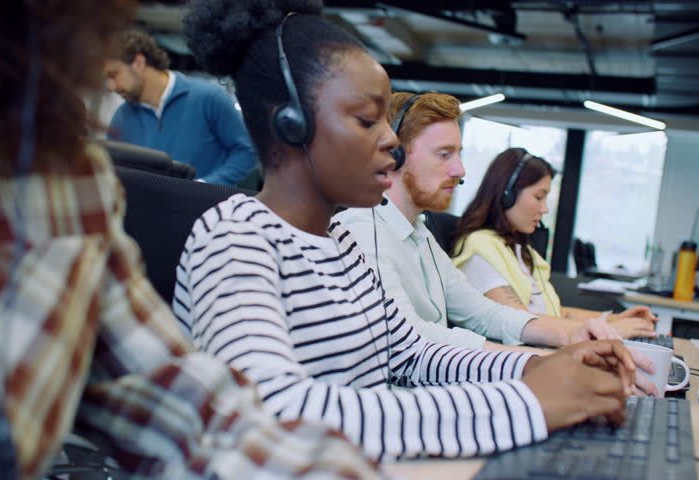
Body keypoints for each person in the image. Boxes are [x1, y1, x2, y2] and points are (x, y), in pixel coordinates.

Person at [0, 1, 385, 478]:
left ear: (139, 61)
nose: (107, 87)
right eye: (367, 120)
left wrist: (197, 190)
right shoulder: (224, 231)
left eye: (114, 76)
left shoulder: (58, 176)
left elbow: (192, 418)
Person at [174, 0, 647, 462]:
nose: (391, 142)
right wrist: (525, 401)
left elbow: (414, 351)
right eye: (366, 120)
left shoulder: (339, 246)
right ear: (291, 124)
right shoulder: (234, 239)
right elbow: (270, 416)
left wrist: (537, 366)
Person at [335, 92, 655, 354]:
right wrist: (537, 360)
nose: (460, 170)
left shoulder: (421, 236)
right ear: (395, 155)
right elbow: (410, 337)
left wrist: (572, 337)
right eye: (444, 154)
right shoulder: (363, 230)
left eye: (458, 154)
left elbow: (483, 312)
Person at [451, 148, 658, 336]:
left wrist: (614, 319)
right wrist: (610, 330)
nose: (545, 209)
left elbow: (556, 313)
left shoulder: (520, 250)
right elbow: (520, 321)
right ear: (507, 194)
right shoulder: (480, 249)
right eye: (539, 197)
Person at [104, 29, 257, 185]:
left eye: (113, 75)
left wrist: (206, 185)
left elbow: (248, 151)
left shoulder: (209, 98)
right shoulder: (121, 117)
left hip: (207, 206)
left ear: (139, 63)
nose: (110, 86)